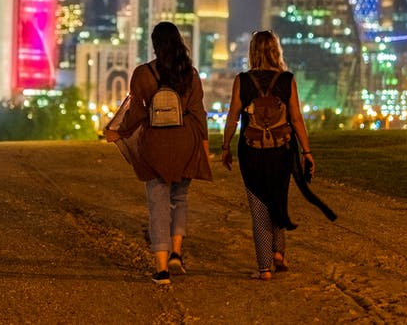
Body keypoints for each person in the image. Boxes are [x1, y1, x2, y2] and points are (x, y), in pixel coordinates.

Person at [103, 22, 211, 285]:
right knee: (180, 198)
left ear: (154, 44)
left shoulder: (142, 73)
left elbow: (136, 112)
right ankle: (177, 253)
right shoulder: (190, 74)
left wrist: (119, 131)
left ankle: (162, 270)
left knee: (158, 204)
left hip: (155, 143)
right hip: (186, 141)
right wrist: (204, 147)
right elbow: (198, 113)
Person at [220, 30, 317, 280]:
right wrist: (306, 151)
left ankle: (264, 267)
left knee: (259, 205)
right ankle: (279, 254)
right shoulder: (287, 80)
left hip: (251, 151)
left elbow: (232, 117)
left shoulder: (242, 80)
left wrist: (225, 146)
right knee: (277, 198)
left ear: (252, 51)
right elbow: (296, 118)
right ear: (276, 50)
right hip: (281, 150)